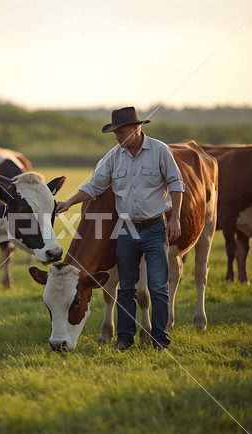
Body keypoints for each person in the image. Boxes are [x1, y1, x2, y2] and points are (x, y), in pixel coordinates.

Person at [56, 106, 185, 351]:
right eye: (115, 132)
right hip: (125, 230)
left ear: (136, 129)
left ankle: (160, 341)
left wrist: (175, 218)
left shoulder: (160, 151)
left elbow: (176, 184)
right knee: (126, 288)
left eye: (120, 132)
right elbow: (94, 186)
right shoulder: (114, 156)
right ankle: (124, 339)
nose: (116, 137)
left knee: (157, 287)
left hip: (155, 227)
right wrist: (70, 202)